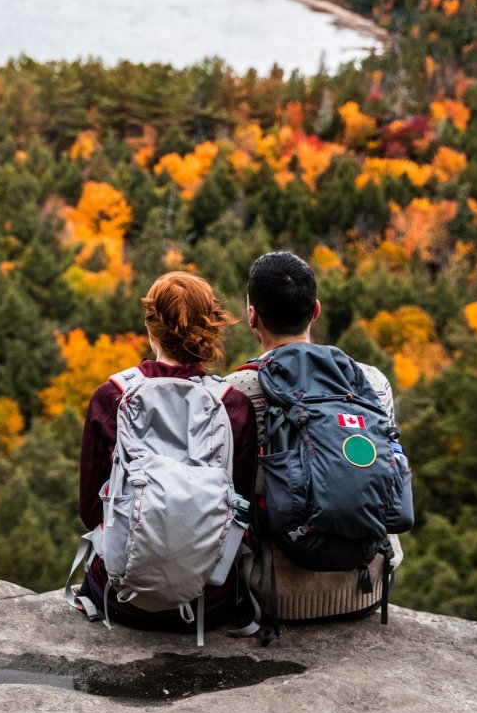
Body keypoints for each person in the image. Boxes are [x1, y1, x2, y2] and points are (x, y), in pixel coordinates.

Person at [223, 250, 403, 622]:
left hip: (273, 597)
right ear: (316, 310)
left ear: (252, 317)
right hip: (365, 589)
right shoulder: (371, 383)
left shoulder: (235, 391)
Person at [77, 271, 257, 630]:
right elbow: (240, 511)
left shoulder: (111, 396)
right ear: (210, 328)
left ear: (150, 327)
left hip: (121, 597)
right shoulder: (233, 405)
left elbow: (91, 510)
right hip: (209, 599)